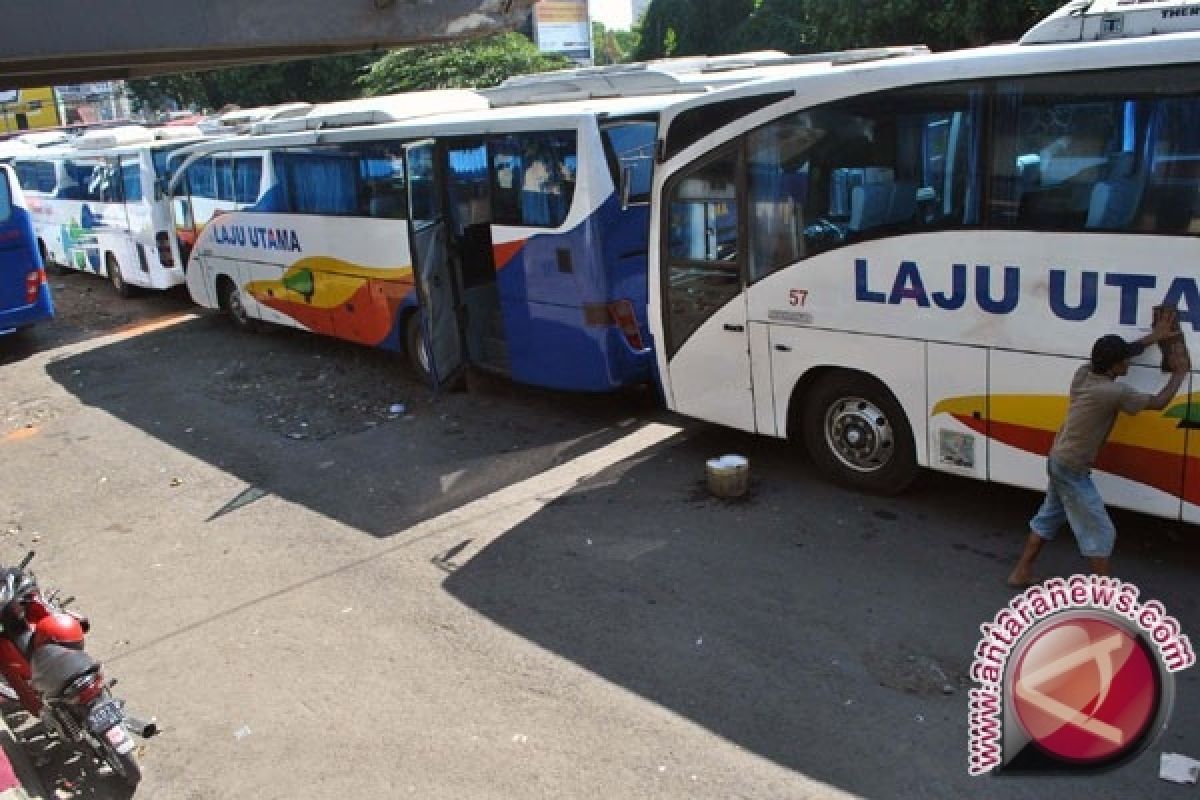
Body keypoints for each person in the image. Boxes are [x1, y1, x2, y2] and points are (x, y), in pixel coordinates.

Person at [1007, 313, 1190, 586]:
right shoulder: (1113, 393)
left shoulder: (1084, 374)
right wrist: (1179, 373)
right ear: (1115, 366)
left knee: (1048, 517)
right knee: (1101, 531)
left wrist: (1154, 337)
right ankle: (1104, 597)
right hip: (1072, 468)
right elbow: (1159, 402)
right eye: (1124, 360)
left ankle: (1021, 572)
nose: (1129, 362)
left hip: (1058, 458)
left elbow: (1125, 350)